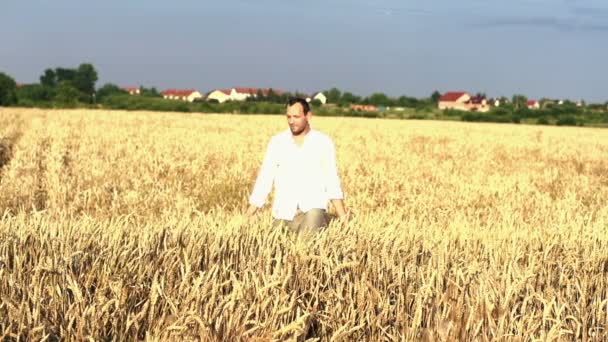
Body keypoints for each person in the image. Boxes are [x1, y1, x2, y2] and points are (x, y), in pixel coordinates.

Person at [246, 97, 347, 233]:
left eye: (296, 117)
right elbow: (265, 178)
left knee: (304, 245)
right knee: (275, 248)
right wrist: (250, 212)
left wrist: (344, 219)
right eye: (288, 117)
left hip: (312, 209)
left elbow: (332, 180)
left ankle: (324, 222)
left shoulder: (323, 142)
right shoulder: (277, 142)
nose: (291, 121)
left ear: (308, 116)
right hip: (283, 212)